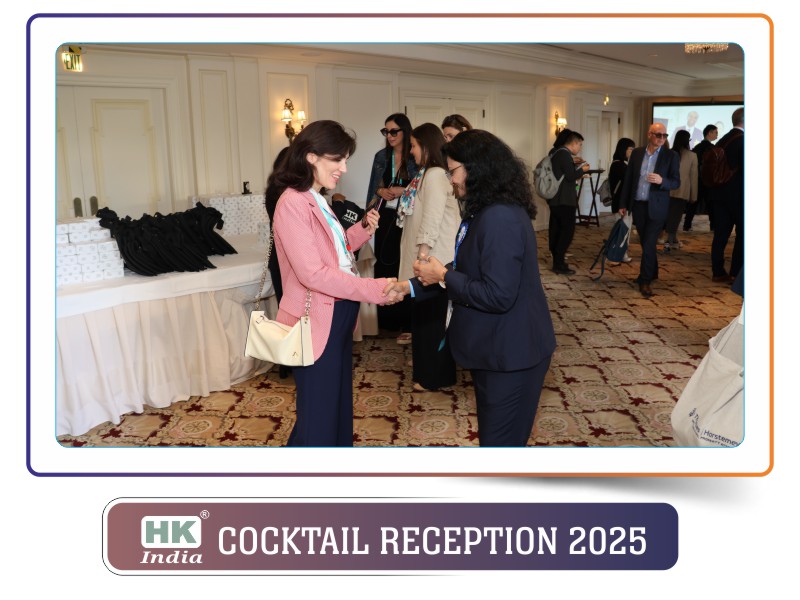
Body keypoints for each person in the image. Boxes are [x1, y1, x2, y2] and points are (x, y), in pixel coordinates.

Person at [389, 130, 556, 446]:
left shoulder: (500, 218)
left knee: (500, 446)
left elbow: (497, 295)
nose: (451, 179)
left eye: (453, 171)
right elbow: (468, 269)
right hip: (496, 349)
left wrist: (442, 274)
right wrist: (411, 286)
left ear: (477, 169)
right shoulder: (485, 211)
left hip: (512, 353)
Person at [271, 120, 403, 446]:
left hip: (336, 313)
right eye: (338, 159)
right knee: (319, 414)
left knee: (335, 406)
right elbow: (313, 274)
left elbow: (335, 251)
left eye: (345, 159)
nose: (344, 168)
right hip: (314, 318)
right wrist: (374, 289)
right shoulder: (292, 202)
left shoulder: (315, 197)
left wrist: (362, 230)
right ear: (311, 156)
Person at [396, 123, 460, 392]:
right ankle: (429, 369)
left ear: (426, 145)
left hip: (434, 259)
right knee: (426, 318)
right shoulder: (427, 173)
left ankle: (434, 376)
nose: (411, 151)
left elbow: (432, 219)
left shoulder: (434, 175)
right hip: (428, 257)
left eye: (413, 146)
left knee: (432, 321)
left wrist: (422, 258)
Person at [365, 113, 418, 340]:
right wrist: (381, 191)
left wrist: (402, 191)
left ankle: (407, 322)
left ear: (405, 131)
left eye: (394, 131)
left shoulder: (415, 156)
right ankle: (387, 321)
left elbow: (421, 189)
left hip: (407, 216)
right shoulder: (381, 156)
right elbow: (373, 187)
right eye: (386, 131)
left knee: (404, 265)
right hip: (385, 215)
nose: (389, 135)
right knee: (384, 264)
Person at [619, 123, 681, 298]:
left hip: (658, 207)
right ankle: (653, 272)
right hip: (638, 205)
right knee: (646, 242)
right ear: (649, 135)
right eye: (658, 135)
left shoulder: (671, 155)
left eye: (664, 135)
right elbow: (629, 179)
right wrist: (623, 203)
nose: (662, 138)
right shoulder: (637, 153)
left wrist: (662, 181)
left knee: (648, 243)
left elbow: (676, 182)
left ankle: (645, 280)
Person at [709, 107, 744, 283]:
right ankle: (735, 272)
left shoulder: (722, 140)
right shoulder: (743, 140)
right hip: (738, 196)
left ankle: (717, 271)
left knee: (720, 235)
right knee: (742, 235)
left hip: (719, 194)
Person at [548, 130, 590, 275]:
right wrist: (583, 169)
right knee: (566, 231)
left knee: (556, 229)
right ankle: (559, 263)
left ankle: (557, 261)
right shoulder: (564, 154)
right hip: (564, 199)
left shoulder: (555, 152)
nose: (580, 148)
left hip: (555, 199)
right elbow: (571, 176)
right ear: (573, 143)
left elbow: (564, 174)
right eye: (580, 144)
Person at [664, 130, 698, 251]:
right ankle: (669, 241)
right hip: (682, 191)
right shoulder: (692, 156)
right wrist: (694, 196)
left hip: (667, 189)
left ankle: (672, 239)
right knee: (676, 217)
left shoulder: (668, 153)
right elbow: (693, 177)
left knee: (670, 216)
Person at [684, 124, 718, 232]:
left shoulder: (697, 147)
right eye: (715, 132)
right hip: (708, 180)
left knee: (694, 203)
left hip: (697, 179)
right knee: (711, 204)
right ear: (709, 133)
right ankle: (713, 226)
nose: (717, 135)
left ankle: (687, 225)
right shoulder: (712, 148)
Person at [607, 137, 636, 263]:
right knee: (622, 229)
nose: (632, 151)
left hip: (623, 202)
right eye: (630, 149)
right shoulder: (619, 165)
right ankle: (617, 254)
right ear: (623, 149)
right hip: (621, 203)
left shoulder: (622, 164)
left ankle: (620, 253)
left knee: (624, 229)